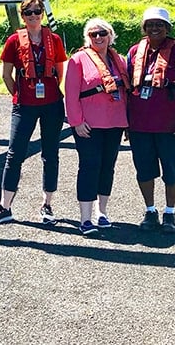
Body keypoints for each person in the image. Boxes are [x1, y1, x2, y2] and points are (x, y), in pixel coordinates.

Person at [0, 0, 68, 226]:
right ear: (23, 16)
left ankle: (47, 205)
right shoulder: (13, 41)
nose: (33, 16)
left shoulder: (55, 40)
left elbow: (60, 73)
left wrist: (47, 90)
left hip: (52, 105)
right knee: (14, 154)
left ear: (42, 13)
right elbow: (6, 75)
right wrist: (19, 96)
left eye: (37, 11)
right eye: (28, 12)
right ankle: (4, 207)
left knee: (50, 154)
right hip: (25, 106)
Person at [126, 6, 175, 233]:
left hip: (169, 123)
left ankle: (170, 212)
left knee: (172, 169)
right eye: (151, 24)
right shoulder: (135, 51)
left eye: (160, 25)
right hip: (140, 123)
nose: (155, 28)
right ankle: (150, 210)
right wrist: (127, 122)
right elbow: (127, 86)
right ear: (144, 28)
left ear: (167, 28)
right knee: (144, 169)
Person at [64, 18, 129, 235]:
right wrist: (76, 121)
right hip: (88, 124)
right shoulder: (78, 60)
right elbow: (70, 94)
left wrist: (128, 122)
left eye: (102, 33)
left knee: (107, 167)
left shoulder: (119, 60)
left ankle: (102, 212)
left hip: (115, 122)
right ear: (87, 38)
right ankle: (85, 218)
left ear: (110, 35)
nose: (98, 37)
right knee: (89, 166)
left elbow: (127, 92)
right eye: (93, 34)